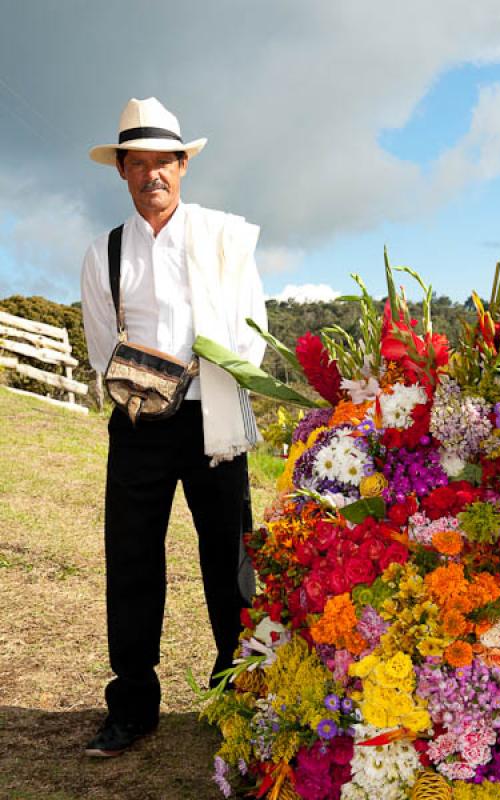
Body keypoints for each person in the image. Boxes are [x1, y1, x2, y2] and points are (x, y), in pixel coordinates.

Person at [81, 97, 267, 757]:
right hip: (138, 423)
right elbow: (103, 343)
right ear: (123, 172)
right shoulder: (105, 252)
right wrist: (150, 383)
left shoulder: (222, 238)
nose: (151, 173)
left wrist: (210, 379)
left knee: (230, 556)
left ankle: (241, 697)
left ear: (183, 166)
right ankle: (133, 706)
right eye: (138, 162)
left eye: (164, 160)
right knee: (131, 558)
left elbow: (253, 324)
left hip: (212, 416)